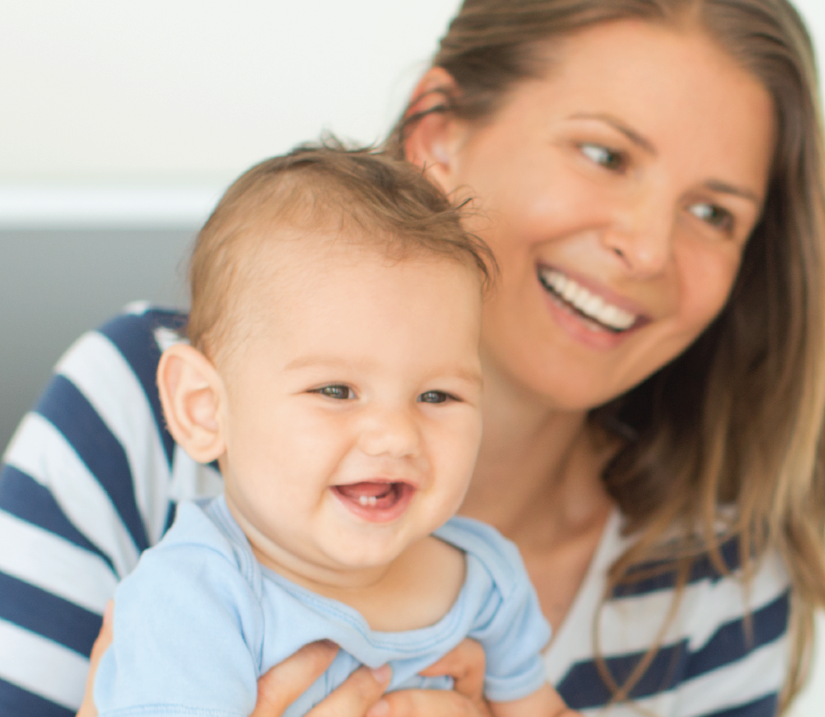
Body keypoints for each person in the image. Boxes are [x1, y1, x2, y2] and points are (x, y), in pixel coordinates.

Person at [0, 2, 825, 716]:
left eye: (714, 212)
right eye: (604, 155)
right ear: (439, 138)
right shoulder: (136, 409)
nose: (646, 245)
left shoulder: (710, 570)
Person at [90, 145, 573, 717]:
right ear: (205, 409)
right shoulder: (196, 598)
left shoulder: (485, 580)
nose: (396, 436)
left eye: (437, 396)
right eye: (336, 392)